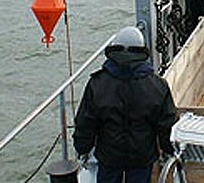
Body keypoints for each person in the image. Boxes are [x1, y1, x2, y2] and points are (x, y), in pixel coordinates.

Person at [73, 26, 177, 183]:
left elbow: (86, 123)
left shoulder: (97, 84)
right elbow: (166, 125)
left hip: (109, 157)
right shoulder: (157, 86)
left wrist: (82, 149)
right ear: (142, 51)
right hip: (142, 157)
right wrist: (168, 151)